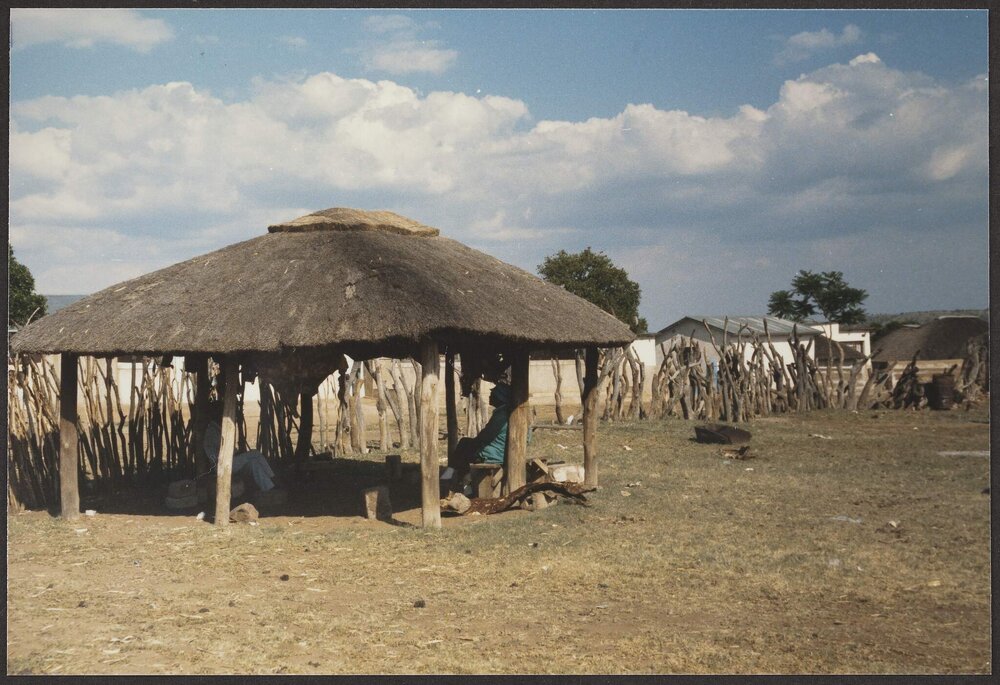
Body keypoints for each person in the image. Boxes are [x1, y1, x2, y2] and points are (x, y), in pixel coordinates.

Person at [443, 382, 511, 489]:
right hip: (502, 451)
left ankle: (453, 479)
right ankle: (456, 480)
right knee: (465, 447)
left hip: (496, 454)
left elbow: (485, 436)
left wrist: (475, 442)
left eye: (493, 394)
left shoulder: (501, 416)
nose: (490, 396)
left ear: (500, 397)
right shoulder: (507, 413)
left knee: (464, 450)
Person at [203, 413, 277, 493]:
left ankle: (269, 487)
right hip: (222, 465)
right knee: (255, 453)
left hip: (228, 462)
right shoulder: (212, 433)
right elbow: (223, 453)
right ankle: (273, 478)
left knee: (254, 463)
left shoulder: (218, 430)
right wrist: (242, 455)